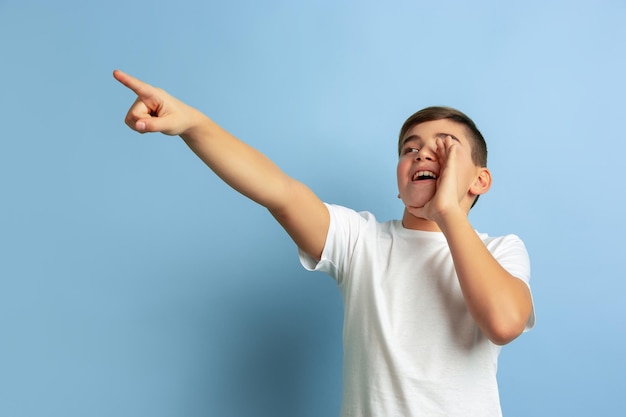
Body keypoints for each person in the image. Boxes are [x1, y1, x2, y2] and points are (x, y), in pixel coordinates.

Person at [113, 69, 535, 417]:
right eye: (410, 148)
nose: (422, 155)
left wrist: (448, 212)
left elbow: (503, 322)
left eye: (444, 148)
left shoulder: (500, 251)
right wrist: (192, 123)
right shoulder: (363, 241)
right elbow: (279, 191)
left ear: (480, 179)